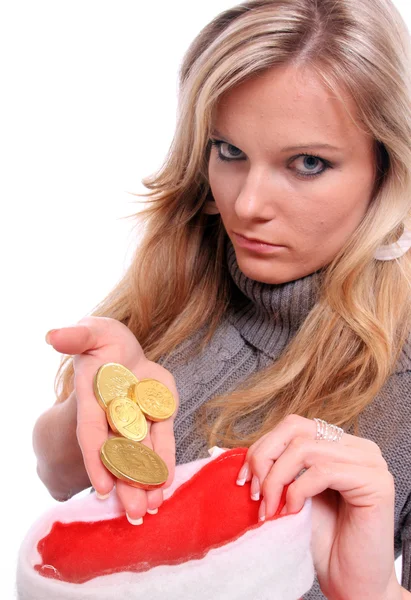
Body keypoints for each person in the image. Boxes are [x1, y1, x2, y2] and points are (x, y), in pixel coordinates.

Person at [32, 0, 411, 598]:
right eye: (229, 152)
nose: (246, 203)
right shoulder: (182, 273)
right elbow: (55, 479)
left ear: (386, 169)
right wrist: (97, 410)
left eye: (307, 163)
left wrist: (374, 593)